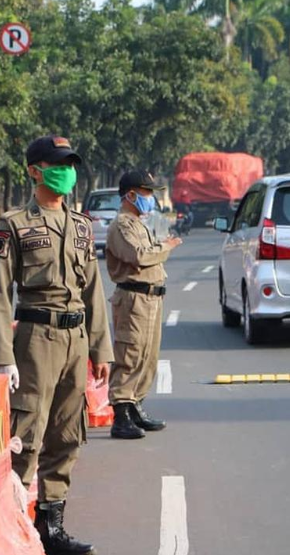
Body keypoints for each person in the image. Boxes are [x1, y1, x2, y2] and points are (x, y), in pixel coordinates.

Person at [0, 135, 112, 555]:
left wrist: (101, 350)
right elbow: (1, 294)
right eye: (58, 164)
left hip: (76, 339)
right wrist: (2, 359)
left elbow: (93, 291)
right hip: (35, 340)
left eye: (70, 164)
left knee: (67, 433)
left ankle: (51, 528)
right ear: (35, 170)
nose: (66, 171)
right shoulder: (14, 225)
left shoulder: (81, 225)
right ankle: (16, 528)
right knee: (28, 434)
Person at [105, 170, 183, 439]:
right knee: (130, 354)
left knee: (147, 357)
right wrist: (168, 246)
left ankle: (136, 405)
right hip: (133, 297)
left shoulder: (138, 223)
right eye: (146, 192)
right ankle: (121, 413)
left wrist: (162, 244)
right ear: (130, 194)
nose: (151, 197)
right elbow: (137, 256)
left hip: (150, 297)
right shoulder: (122, 224)